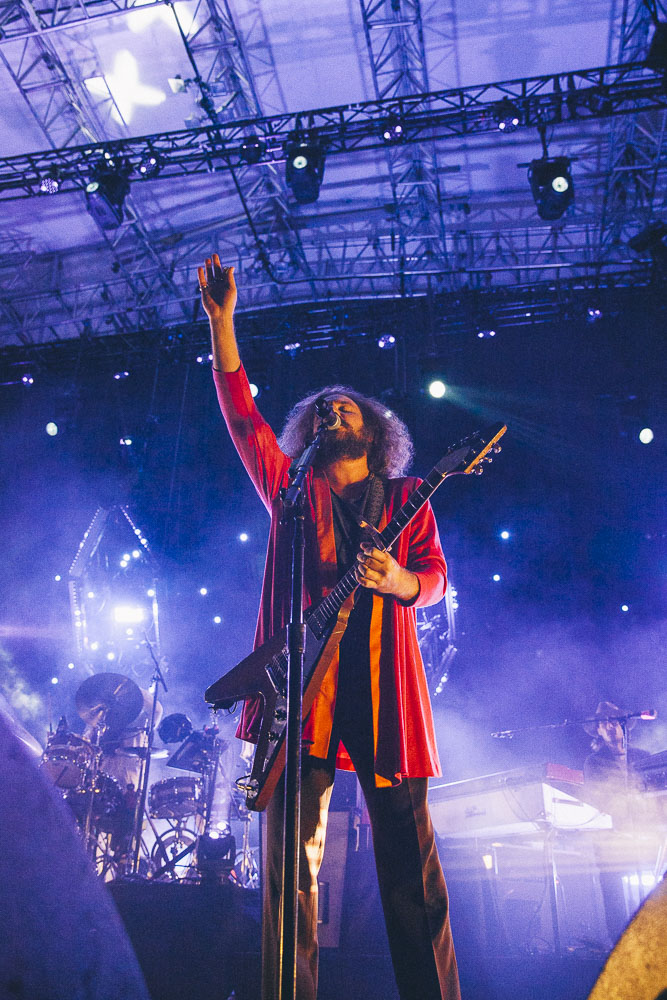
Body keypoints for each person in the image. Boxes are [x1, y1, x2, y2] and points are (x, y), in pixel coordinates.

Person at [199, 254, 460, 1000]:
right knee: (290, 872)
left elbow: (435, 580)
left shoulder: (406, 496)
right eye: (321, 409)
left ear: (374, 431)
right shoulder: (288, 486)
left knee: (411, 866)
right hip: (298, 691)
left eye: (345, 408)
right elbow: (241, 415)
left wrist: (398, 579)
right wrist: (223, 323)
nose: (331, 411)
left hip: (384, 693)